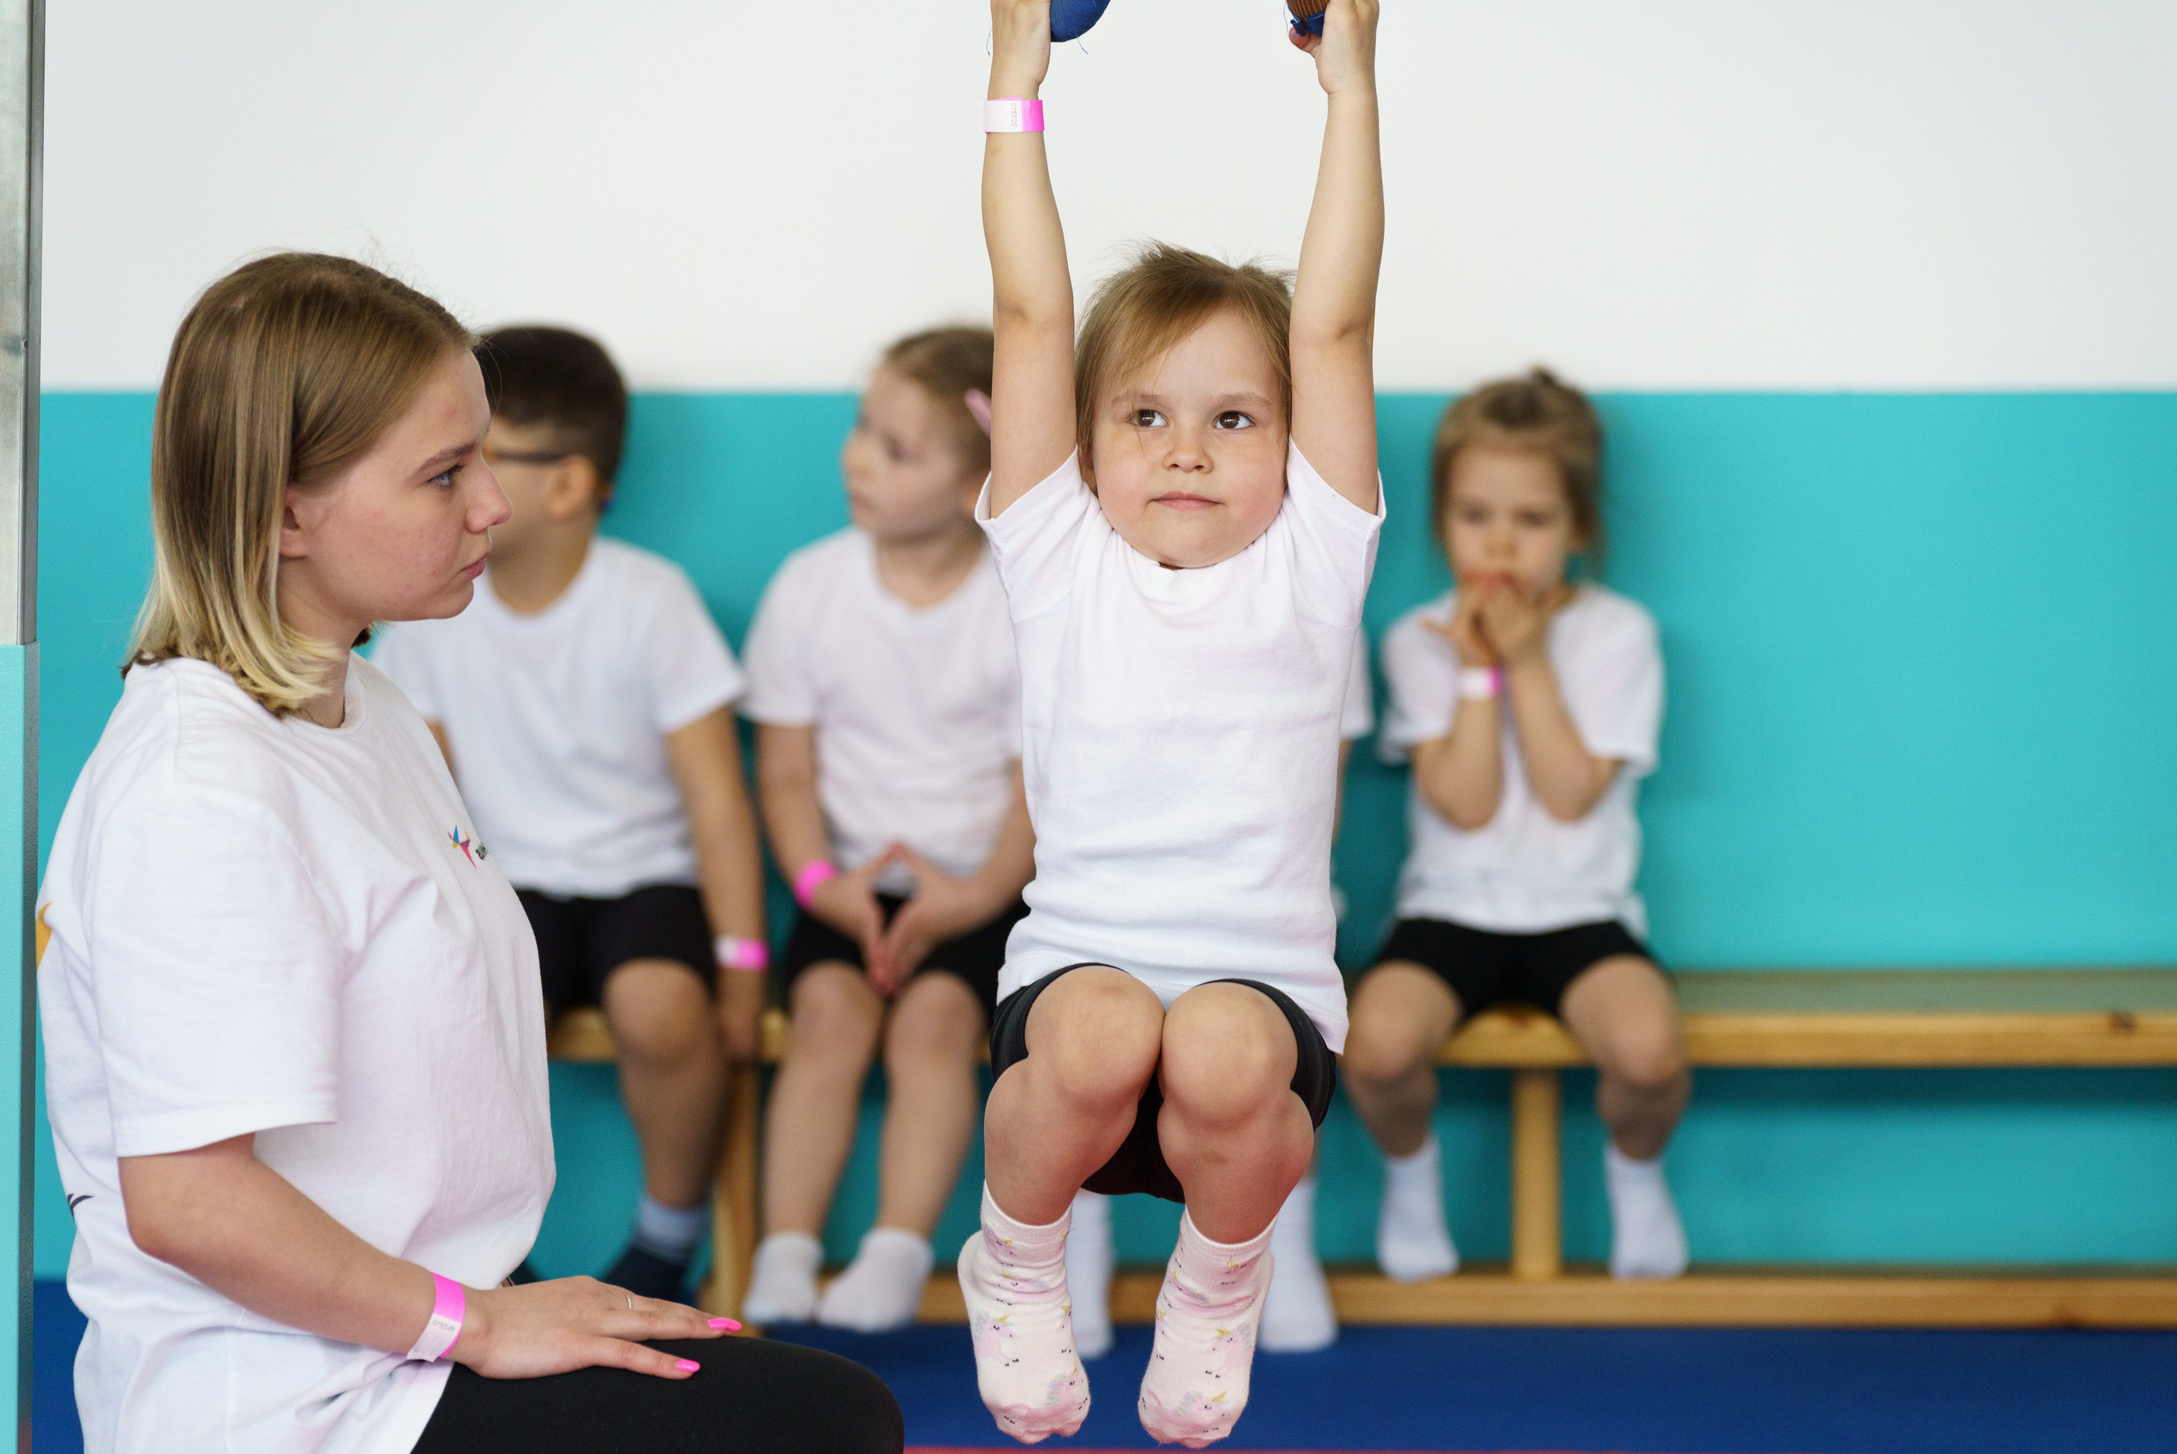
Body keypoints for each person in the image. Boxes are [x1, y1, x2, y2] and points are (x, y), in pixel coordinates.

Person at [35, 252, 902, 1454]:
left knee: (812, 1400)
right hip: (295, 1396)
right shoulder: (203, 787)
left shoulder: (370, 704)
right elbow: (189, 1203)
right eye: (446, 473)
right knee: (825, 1422)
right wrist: (479, 1322)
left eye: (485, 456)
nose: (492, 503)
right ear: (285, 509)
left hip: (415, 1324)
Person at [963, 0, 1386, 1444]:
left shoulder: (1314, 565)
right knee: (1093, 1036)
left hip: (1258, 1005)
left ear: (1291, 445)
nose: (1187, 448)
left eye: (1234, 418)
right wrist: (1015, 79)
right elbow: (1030, 313)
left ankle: (1218, 1279)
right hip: (1079, 971)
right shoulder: (1053, 550)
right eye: (1142, 416)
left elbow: (1332, 316)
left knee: (1213, 1050)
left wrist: (1349, 86)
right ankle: (1014, 1259)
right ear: (1080, 449)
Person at [374, 326, 769, 1304]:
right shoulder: (429, 612)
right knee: (466, 1004)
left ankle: (667, 1237)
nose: (461, 488)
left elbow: (719, 800)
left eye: (478, 459)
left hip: (644, 879)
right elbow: (417, 793)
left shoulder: (650, 602)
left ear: (564, 484)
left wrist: (742, 962)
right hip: (508, 881)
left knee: (658, 1006)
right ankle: (487, 1247)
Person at [1343, 369, 1690, 1284]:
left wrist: (1527, 661)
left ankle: (1637, 1175)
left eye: (1532, 521)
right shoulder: (1417, 637)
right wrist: (1473, 674)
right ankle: (1409, 1179)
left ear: (1578, 528)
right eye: (1473, 515)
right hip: (1448, 910)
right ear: (1441, 521)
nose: (1499, 541)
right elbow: (1467, 803)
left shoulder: (1620, 634)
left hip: (1580, 911)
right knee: (1373, 1049)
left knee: (1651, 1054)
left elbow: (1570, 794)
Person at [736, 326, 1035, 1332]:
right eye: (863, 428)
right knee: (825, 1018)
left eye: (897, 448)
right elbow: (783, 773)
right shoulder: (808, 586)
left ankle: (899, 1247)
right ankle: (784, 1249)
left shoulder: (1020, 601)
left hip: (983, 884)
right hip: (850, 884)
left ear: (973, 485)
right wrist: (823, 885)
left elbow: (1037, 789)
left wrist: (974, 896)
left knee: (937, 1028)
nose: (857, 456)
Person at [1064, 635, 1374, 1360]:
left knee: (1265, 1046)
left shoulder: (1312, 599)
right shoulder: (1082, 597)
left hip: (1262, 901)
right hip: (1106, 904)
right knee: (1080, 1041)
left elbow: (1314, 788)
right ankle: (1076, 1240)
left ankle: (1277, 1241)